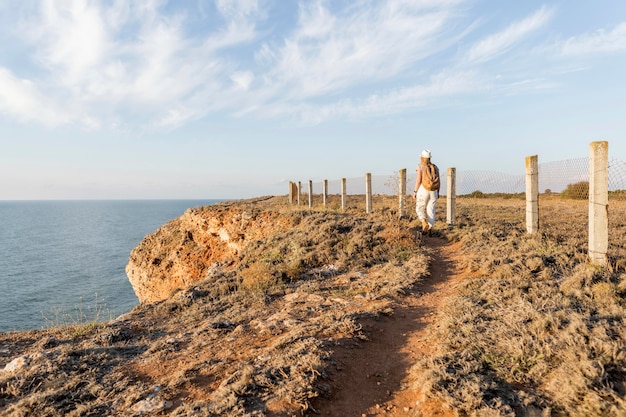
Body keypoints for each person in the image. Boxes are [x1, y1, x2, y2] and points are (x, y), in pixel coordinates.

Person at [413, 149, 440, 236]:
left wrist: (415, 192)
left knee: (419, 208)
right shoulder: (435, 167)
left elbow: (418, 181)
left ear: (421, 157)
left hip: (423, 189)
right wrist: (437, 192)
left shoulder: (420, 166)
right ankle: (430, 228)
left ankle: (424, 223)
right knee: (431, 209)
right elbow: (438, 181)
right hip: (434, 190)